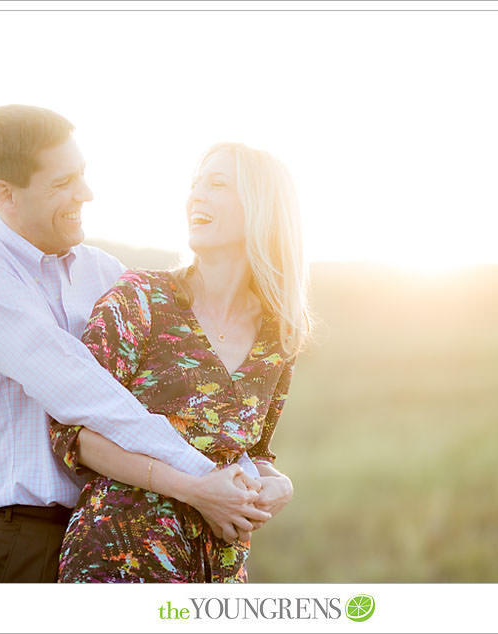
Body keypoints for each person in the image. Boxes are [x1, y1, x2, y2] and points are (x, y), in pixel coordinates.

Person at [0, 105, 267, 583]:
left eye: (82, 175)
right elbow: (81, 391)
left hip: (109, 533)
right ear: (5, 196)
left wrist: (254, 476)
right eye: (62, 183)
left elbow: (175, 391)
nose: (86, 194)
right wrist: (201, 476)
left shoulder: (103, 273)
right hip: (19, 538)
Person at [48, 142, 309, 582]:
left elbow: (249, 452)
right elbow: (72, 431)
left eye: (217, 184)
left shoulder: (278, 337)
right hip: (119, 559)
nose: (196, 197)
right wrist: (195, 491)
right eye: (194, 186)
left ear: (262, 207)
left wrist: (278, 484)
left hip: (217, 573)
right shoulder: (140, 299)